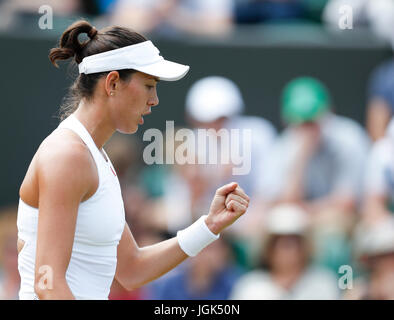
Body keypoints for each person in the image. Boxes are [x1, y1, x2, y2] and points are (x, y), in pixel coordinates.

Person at [16, 20, 250, 300]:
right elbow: (48, 283)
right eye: (149, 85)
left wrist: (209, 225)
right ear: (113, 82)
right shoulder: (68, 155)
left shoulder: (95, 157)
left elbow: (132, 269)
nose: (155, 100)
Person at [258, 76, 370, 272]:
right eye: (302, 120)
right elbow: (285, 203)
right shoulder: (283, 147)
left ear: (329, 113)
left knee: (332, 236)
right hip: (305, 216)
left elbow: (346, 203)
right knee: (271, 231)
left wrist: (305, 213)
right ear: (288, 120)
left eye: (313, 119)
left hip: (344, 218)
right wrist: (302, 155)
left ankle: (339, 288)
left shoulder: (349, 138)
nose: (309, 127)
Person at [230, 204, 340, 300]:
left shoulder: (323, 283)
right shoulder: (250, 287)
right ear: (267, 247)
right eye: (277, 241)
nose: (286, 247)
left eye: (294, 241)